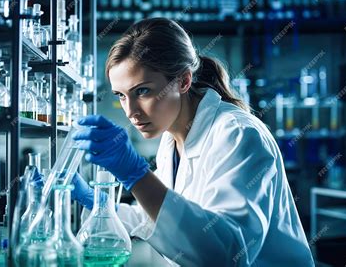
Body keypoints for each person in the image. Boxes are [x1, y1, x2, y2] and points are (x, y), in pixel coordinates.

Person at [71, 18, 314, 266]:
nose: (131, 111)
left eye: (142, 91)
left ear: (184, 81)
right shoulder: (171, 139)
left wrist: (137, 175)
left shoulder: (237, 134)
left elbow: (228, 254)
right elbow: (159, 215)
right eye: (121, 96)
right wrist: (97, 202)